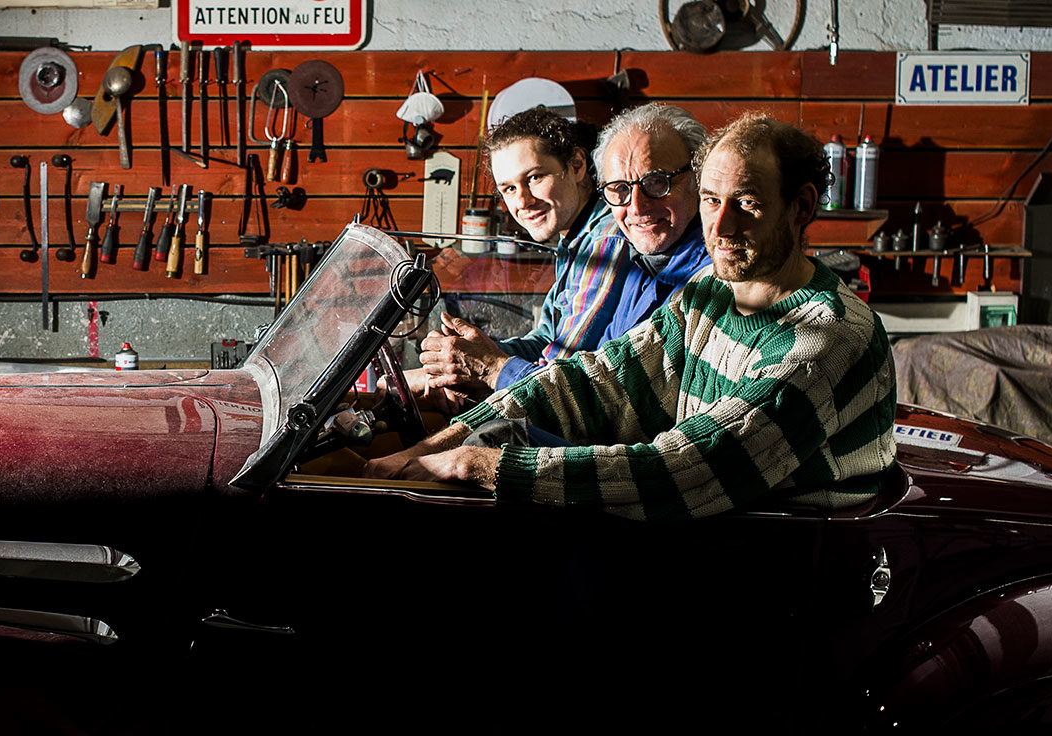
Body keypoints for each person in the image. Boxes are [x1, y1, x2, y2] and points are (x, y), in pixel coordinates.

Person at [367, 113, 898, 517]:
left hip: (783, 583)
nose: (721, 225)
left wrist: (476, 463)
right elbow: (600, 381)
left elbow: (685, 472)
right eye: (712, 201)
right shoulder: (710, 292)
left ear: (801, 207)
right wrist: (438, 441)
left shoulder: (823, 339)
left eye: (747, 203)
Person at [415, 104, 712, 400]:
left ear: (578, 165)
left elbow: (561, 368)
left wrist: (486, 367)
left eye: (534, 178)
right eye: (508, 189)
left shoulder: (607, 241)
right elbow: (549, 343)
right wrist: (472, 352)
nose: (523, 201)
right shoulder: (578, 243)